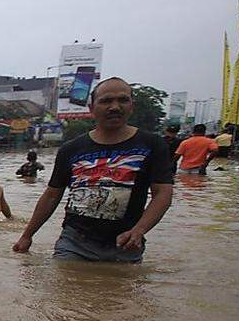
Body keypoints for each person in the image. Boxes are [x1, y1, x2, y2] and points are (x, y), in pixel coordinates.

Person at [12, 77, 174, 262]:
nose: (114, 107)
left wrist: (139, 230)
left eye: (122, 100)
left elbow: (163, 194)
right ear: (91, 108)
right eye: (106, 101)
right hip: (74, 243)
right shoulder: (71, 149)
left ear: (132, 105)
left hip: (126, 242)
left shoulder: (152, 145)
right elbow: (51, 195)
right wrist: (27, 235)